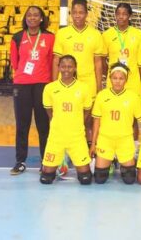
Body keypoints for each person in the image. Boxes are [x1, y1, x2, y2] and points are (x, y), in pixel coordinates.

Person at [52, 0, 105, 143]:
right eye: (74, 12)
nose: (77, 15)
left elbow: (98, 63)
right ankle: (65, 151)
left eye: (81, 12)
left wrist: (100, 87)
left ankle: (89, 151)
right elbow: (56, 60)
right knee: (66, 117)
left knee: (88, 120)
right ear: (70, 13)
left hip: (88, 83)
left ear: (86, 14)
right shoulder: (62, 33)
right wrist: (53, 83)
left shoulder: (95, 34)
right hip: (67, 83)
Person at [9, 6, 54, 175]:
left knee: (43, 125)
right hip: (22, 85)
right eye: (29, 15)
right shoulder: (17, 37)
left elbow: (51, 62)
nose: (33, 18)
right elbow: (15, 62)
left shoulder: (50, 37)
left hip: (43, 85)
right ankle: (20, 161)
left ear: (42, 18)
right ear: (25, 18)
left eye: (36, 15)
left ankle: (46, 160)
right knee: (22, 124)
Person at [40, 55, 93, 185]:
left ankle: (71, 163)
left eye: (70, 67)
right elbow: (49, 111)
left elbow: (87, 111)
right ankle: (57, 163)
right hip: (56, 136)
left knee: (85, 179)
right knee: (46, 178)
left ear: (75, 68)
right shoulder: (50, 88)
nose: (66, 70)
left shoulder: (84, 88)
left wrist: (76, 122)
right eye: (63, 66)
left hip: (77, 137)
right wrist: (58, 122)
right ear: (58, 68)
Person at [90, 62, 141, 184]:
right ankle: (110, 162)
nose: (118, 81)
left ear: (126, 80)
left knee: (129, 179)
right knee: (99, 179)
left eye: (121, 78)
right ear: (110, 79)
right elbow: (96, 121)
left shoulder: (133, 97)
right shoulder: (102, 95)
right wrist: (93, 144)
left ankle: (122, 161)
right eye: (115, 78)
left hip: (124, 140)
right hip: (105, 139)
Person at [102, 3, 141, 93]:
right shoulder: (106, 35)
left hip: (133, 82)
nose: (121, 17)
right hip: (113, 81)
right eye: (118, 14)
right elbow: (102, 61)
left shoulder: (139, 35)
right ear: (115, 15)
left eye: (124, 14)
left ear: (130, 16)